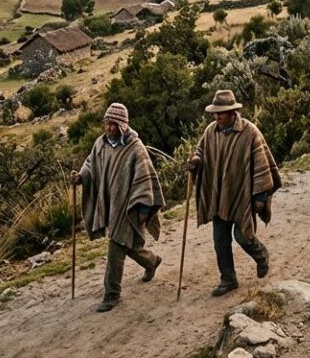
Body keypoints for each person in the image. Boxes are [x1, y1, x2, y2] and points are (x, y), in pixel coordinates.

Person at [188, 90, 282, 297]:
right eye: (215, 113)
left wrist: (260, 197)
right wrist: (196, 161)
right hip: (219, 196)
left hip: (243, 195)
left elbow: (261, 163)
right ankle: (228, 279)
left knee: (243, 236)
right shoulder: (211, 131)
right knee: (220, 240)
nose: (217, 117)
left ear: (232, 112)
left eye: (221, 113)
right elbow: (201, 151)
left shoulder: (249, 132)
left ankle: (261, 255)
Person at [71, 103, 165, 312]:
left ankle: (111, 295)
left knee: (116, 247)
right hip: (111, 204)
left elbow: (145, 178)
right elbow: (90, 165)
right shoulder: (101, 144)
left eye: (114, 124)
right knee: (126, 244)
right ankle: (151, 261)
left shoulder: (134, 147)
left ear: (122, 125)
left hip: (129, 206)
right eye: (107, 123)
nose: (110, 128)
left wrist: (143, 209)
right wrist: (80, 176)